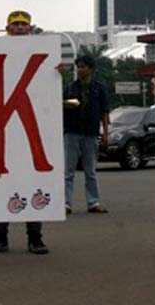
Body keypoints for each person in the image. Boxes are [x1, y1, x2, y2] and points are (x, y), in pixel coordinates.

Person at [0, 10, 61, 255]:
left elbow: (46, 95)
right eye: (15, 24)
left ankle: (35, 238)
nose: (20, 28)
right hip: (3, 131)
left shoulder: (43, 57)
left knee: (33, 179)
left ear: (30, 28)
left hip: (31, 133)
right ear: (7, 29)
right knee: (1, 182)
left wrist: (56, 75)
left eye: (24, 24)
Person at [63, 54, 109, 214]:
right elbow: (61, 105)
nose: (80, 69)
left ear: (91, 69)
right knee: (68, 171)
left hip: (90, 132)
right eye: (79, 67)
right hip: (72, 131)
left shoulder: (99, 88)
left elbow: (104, 112)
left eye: (83, 67)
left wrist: (105, 133)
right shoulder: (70, 87)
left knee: (90, 171)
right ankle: (66, 203)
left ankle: (93, 202)